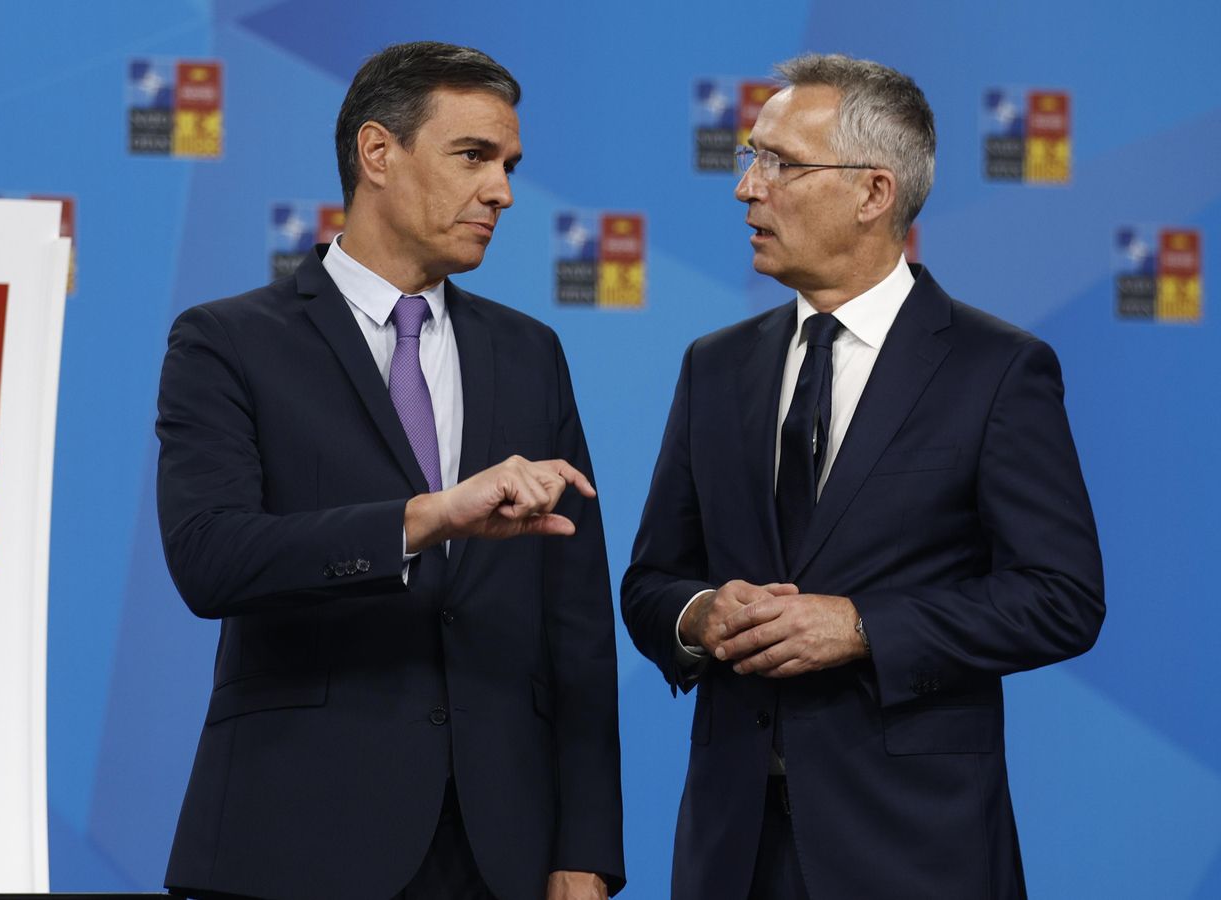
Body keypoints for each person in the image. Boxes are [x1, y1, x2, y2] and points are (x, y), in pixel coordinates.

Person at [621, 53, 1104, 900]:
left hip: (915, 846)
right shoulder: (714, 367)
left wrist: (863, 627)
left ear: (874, 192)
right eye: (750, 157)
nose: (748, 188)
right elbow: (652, 580)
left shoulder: (997, 370)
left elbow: (1061, 597)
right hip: (733, 849)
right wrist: (700, 615)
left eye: (782, 163)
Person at [157, 41, 624, 900]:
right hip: (293, 841)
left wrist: (585, 849)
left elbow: (578, 625)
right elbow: (211, 557)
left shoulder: (531, 353)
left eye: (510, 165)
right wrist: (427, 518)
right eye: (474, 156)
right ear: (379, 153)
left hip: (499, 853)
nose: (503, 192)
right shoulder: (228, 341)